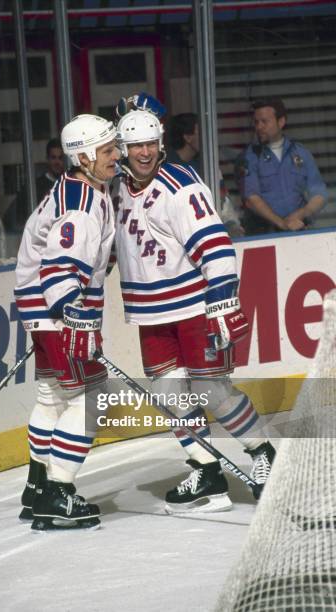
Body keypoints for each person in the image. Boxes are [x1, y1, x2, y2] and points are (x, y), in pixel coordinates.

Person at [110, 108, 275, 514]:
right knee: (168, 394)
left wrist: (223, 299)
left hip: (194, 308)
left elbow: (215, 244)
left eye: (150, 144)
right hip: (151, 314)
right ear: (124, 149)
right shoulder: (115, 189)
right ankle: (208, 471)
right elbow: (111, 248)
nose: (145, 152)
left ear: (160, 143)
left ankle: (265, 455)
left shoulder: (180, 184)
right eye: (136, 146)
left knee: (214, 391)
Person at [14, 114, 118, 530]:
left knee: (51, 395)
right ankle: (58, 492)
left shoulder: (78, 188)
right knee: (91, 397)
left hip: (40, 308)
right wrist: (75, 319)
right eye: (108, 151)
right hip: (61, 311)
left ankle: (37, 488)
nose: (117, 156)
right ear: (85, 156)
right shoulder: (83, 204)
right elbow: (59, 269)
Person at [235, 97, 328, 234]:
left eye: (264, 122)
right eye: (256, 122)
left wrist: (301, 214)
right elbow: (251, 199)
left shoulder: (301, 153)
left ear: (281, 122)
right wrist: (282, 223)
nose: (259, 127)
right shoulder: (248, 158)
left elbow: (319, 194)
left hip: (301, 232)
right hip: (263, 236)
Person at [166, 112, 244, 236]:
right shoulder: (164, 170)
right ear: (188, 137)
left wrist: (232, 225)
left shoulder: (208, 166)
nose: (208, 137)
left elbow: (223, 202)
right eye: (202, 132)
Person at [4, 138, 65, 232]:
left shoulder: (69, 185)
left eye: (60, 158)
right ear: (47, 159)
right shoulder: (33, 187)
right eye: (53, 158)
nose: (57, 162)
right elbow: (18, 218)